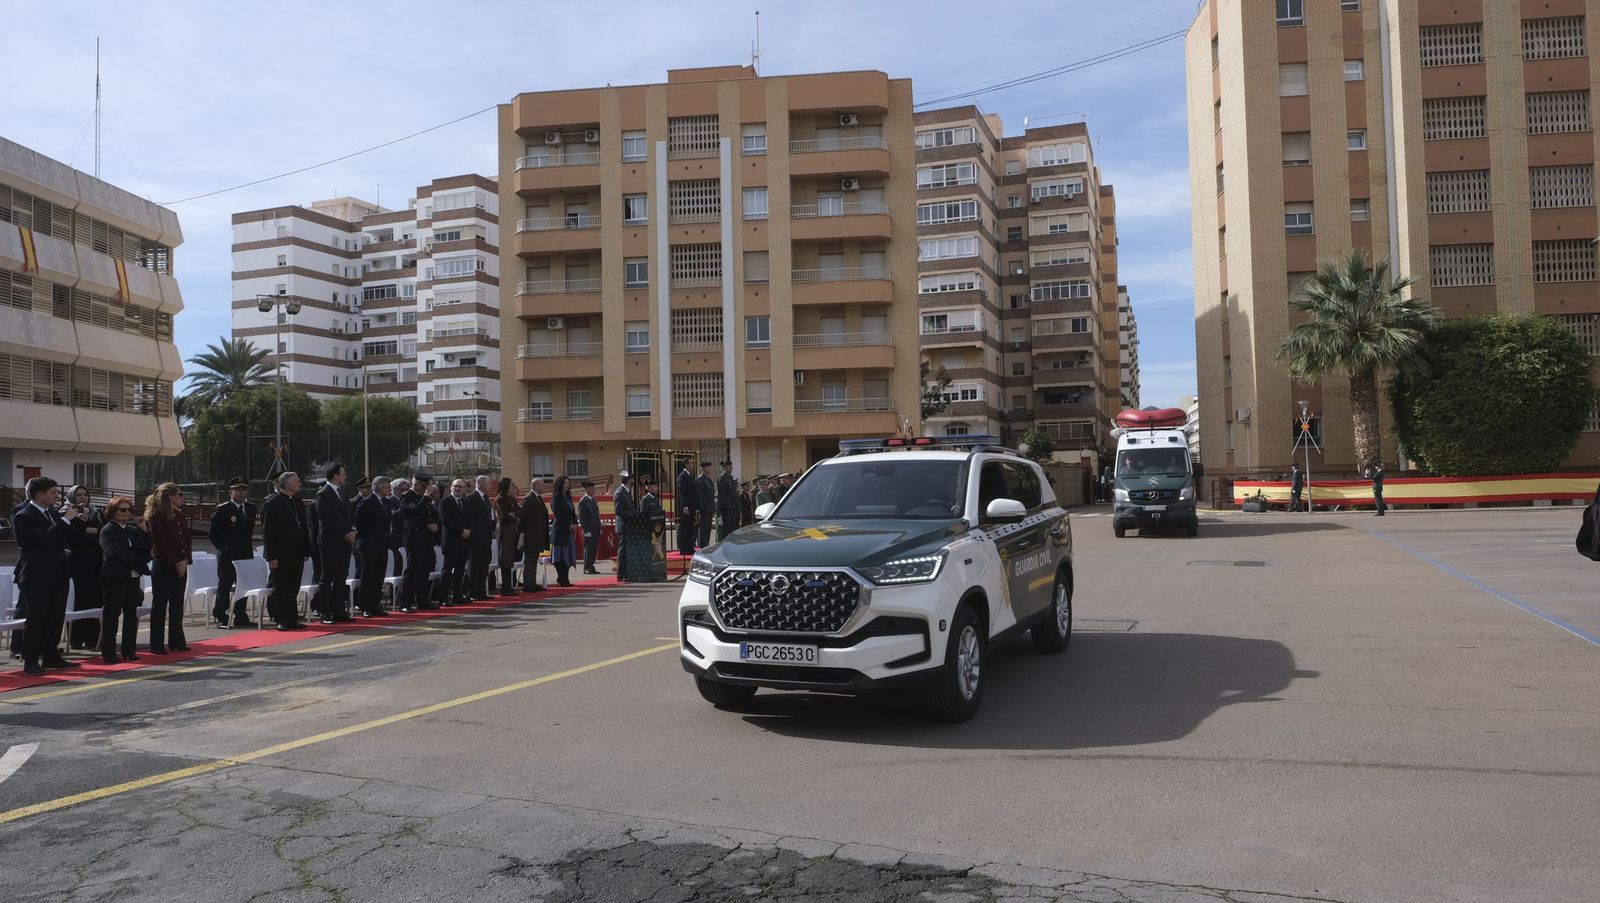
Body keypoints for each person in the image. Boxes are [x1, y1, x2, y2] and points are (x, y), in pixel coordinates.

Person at [14, 476, 72, 675]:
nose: (57, 496)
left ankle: (51, 656)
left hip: (58, 572)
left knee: (55, 616)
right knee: (37, 617)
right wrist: (65, 521)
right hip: (37, 575)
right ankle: (30, 660)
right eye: (53, 492)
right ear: (40, 495)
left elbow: (60, 538)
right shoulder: (24, 516)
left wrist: (66, 549)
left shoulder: (52, 514)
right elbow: (42, 540)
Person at [97, 495, 149, 664]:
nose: (127, 513)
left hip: (132, 576)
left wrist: (144, 530)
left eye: (129, 510)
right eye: (123, 509)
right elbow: (115, 553)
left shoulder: (132, 530)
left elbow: (146, 550)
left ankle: (129, 650)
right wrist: (136, 557)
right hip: (114, 576)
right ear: (112, 512)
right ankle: (109, 652)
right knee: (112, 614)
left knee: (131, 614)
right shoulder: (108, 530)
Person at [145, 483, 192, 655]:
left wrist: (185, 560)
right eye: (180, 494)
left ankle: (176, 640)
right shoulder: (156, 517)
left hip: (180, 564)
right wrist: (176, 563)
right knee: (160, 604)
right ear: (170, 496)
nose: (182, 497)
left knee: (177, 604)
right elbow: (161, 543)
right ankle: (157, 644)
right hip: (164, 565)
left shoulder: (179, 516)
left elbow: (186, 540)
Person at [261, 472, 310, 631]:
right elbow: (268, 532)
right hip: (280, 555)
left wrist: (306, 549)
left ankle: (291, 618)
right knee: (281, 587)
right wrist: (271, 556)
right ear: (287, 484)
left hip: (296, 553)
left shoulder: (297, 501)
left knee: (293, 587)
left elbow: (304, 527)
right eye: (297, 481)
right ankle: (280, 618)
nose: (300, 484)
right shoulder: (272, 503)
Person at [208, 476, 259, 629]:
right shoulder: (223, 509)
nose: (241, 493)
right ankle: (220, 614)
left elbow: (247, 532)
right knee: (225, 584)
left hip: (244, 553)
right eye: (237, 490)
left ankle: (240, 614)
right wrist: (223, 549)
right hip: (228, 554)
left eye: (244, 489)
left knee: (243, 585)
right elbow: (213, 534)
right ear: (230, 492)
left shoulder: (250, 508)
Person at [62, 484, 105, 650]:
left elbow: (102, 533)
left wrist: (89, 531)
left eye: (85, 494)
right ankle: (76, 639)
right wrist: (85, 528)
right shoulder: (67, 513)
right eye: (78, 495)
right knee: (78, 601)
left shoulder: (95, 513)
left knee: (95, 600)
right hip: (77, 565)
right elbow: (73, 537)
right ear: (72, 496)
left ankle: (93, 639)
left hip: (95, 563)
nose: (82, 497)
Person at [313, 464, 355, 625]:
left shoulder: (343, 493)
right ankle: (325, 612)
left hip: (345, 543)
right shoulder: (323, 494)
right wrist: (344, 535)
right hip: (331, 543)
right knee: (327, 578)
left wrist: (353, 530)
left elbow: (350, 515)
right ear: (336, 476)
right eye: (343, 474)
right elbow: (326, 520)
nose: (345, 477)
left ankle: (339, 612)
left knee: (341, 578)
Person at [399, 473, 441, 613]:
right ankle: (405, 602)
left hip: (427, 539)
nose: (427, 489)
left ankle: (423, 600)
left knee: (425, 570)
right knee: (412, 571)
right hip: (414, 539)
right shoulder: (407, 497)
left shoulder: (425, 499)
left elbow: (433, 515)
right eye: (425, 486)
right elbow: (415, 510)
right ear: (416, 484)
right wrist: (426, 497)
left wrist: (434, 524)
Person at [353, 476, 390, 617]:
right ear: (379, 487)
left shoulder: (385, 502)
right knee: (367, 577)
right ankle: (365, 607)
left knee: (378, 577)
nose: (389, 488)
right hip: (368, 545)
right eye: (387, 486)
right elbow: (358, 522)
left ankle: (375, 605)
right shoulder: (367, 502)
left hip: (382, 545)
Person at [438, 479, 471, 606]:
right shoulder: (445, 501)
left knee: (460, 570)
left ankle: (457, 595)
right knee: (447, 570)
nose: (458, 489)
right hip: (451, 541)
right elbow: (445, 520)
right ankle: (444, 597)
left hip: (464, 541)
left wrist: (469, 530)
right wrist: (461, 531)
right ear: (451, 487)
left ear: (464, 489)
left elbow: (471, 518)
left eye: (461, 487)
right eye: (456, 486)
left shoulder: (466, 502)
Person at [464, 475, 495, 600]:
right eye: (488, 484)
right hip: (475, 538)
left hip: (486, 537)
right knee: (474, 566)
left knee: (484, 565)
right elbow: (468, 517)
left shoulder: (486, 498)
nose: (491, 486)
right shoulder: (472, 498)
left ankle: (482, 591)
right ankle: (473, 592)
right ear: (481, 484)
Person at [520, 478, 550, 592]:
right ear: (536, 486)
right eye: (542, 485)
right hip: (530, 536)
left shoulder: (538, 498)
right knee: (529, 560)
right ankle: (527, 585)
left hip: (538, 535)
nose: (544, 487)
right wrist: (525, 532)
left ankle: (532, 583)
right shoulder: (528, 499)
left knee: (534, 560)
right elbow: (522, 519)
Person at [495, 477, 521, 597]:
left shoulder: (512, 499)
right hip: (505, 531)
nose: (513, 488)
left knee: (511, 558)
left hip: (513, 531)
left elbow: (519, 513)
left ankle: (510, 585)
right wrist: (513, 515)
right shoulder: (500, 499)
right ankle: (505, 587)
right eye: (511, 486)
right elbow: (505, 516)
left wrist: (514, 515)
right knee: (505, 558)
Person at [549, 475, 576, 587]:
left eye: (568, 483)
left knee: (568, 555)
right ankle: (562, 578)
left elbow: (572, 513)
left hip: (569, 531)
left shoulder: (568, 497)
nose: (567, 485)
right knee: (560, 556)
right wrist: (568, 525)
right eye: (565, 483)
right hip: (560, 530)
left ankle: (564, 578)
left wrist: (575, 524)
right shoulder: (557, 497)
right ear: (560, 484)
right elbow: (558, 514)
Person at [612, 472, 640, 583]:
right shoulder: (620, 493)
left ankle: (627, 572)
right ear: (628, 480)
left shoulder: (627, 492)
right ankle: (621, 574)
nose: (633, 481)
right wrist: (632, 515)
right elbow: (618, 511)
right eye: (632, 479)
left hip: (628, 526)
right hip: (623, 526)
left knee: (627, 550)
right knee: (623, 550)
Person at [639, 474, 666, 582]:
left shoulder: (655, 499)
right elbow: (643, 514)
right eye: (654, 487)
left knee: (657, 553)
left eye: (657, 487)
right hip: (649, 531)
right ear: (649, 488)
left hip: (657, 530)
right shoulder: (645, 499)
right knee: (650, 553)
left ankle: (657, 573)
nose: (656, 489)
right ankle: (648, 573)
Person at [382, 477, 406, 577]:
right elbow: (394, 515)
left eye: (406, 490)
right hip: (395, 538)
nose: (405, 492)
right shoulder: (389, 500)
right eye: (402, 490)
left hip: (405, 537)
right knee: (396, 567)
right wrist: (404, 505)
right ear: (395, 489)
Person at [578, 480, 602, 575]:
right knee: (588, 549)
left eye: (593, 488)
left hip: (595, 529)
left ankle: (591, 566)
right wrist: (585, 530)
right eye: (591, 488)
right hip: (589, 530)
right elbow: (582, 517)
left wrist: (599, 527)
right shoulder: (583, 501)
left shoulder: (593, 500)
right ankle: (587, 567)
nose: (593, 490)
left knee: (594, 549)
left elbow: (597, 515)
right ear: (586, 489)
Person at [675, 459, 698, 558]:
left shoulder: (690, 475)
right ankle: (684, 548)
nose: (692, 465)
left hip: (691, 505)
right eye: (691, 463)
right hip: (686, 506)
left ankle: (690, 547)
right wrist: (685, 506)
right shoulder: (682, 476)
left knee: (690, 527)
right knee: (685, 527)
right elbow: (682, 493)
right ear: (686, 464)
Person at [716, 461, 739, 541]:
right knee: (726, 528)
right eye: (730, 466)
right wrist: (722, 508)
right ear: (725, 467)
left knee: (731, 527)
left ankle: (730, 541)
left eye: (731, 466)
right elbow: (721, 495)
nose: (732, 468)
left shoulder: (730, 477)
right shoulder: (722, 478)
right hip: (726, 507)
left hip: (732, 506)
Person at [696, 461, 716, 548]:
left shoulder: (708, 479)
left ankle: (706, 544)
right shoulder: (700, 479)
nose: (710, 469)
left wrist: (713, 508)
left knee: (708, 527)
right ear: (703, 468)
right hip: (704, 508)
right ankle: (702, 544)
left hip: (709, 507)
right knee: (703, 527)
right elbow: (699, 495)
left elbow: (711, 495)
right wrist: (701, 508)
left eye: (710, 467)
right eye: (708, 467)